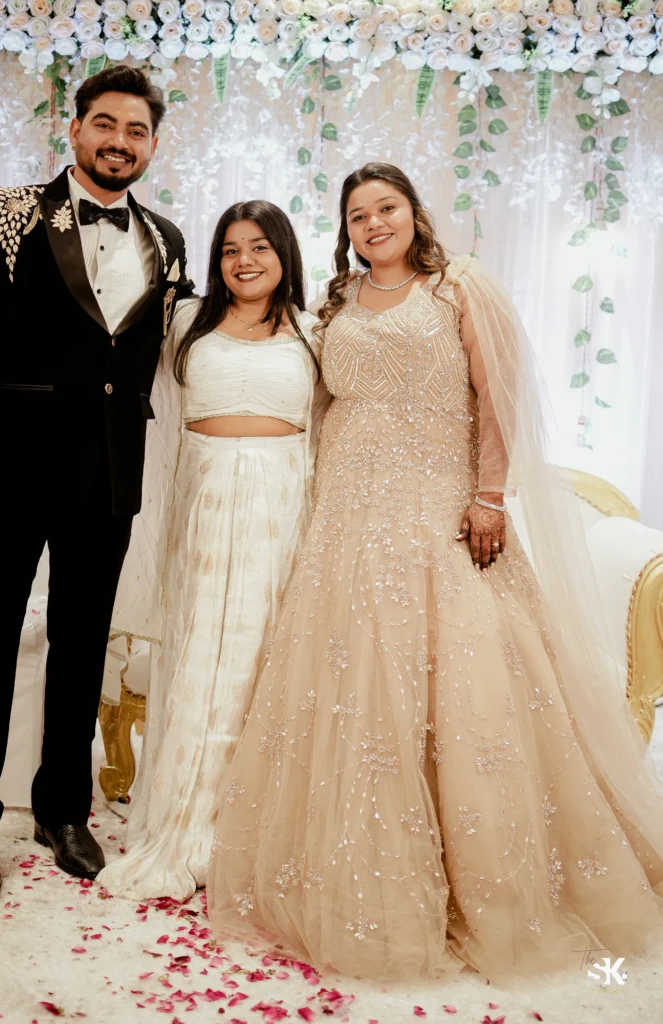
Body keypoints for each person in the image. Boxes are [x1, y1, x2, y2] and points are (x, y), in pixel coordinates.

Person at [207, 163, 663, 980]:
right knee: (353, 687)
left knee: (469, 684)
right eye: (357, 214)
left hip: (438, 508)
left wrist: (488, 495)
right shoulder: (337, 301)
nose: (372, 224)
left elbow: (499, 396)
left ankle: (487, 885)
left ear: (414, 213)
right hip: (348, 513)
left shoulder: (459, 286)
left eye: (385, 207)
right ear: (345, 229)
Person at [0, 65, 194, 901]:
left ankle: (63, 811)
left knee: (81, 650)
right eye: (105, 124)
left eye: (136, 131)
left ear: (152, 145)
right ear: (74, 130)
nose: (119, 142)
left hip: (107, 478)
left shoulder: (167, 238)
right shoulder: (5, 211)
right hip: (8, 472)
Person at [97, 201, 331, 902]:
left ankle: (251, 830)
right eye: (230, 249)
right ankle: (185, 822)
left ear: (284, 255)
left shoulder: (316, 331)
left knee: (261, 660)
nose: (244, 261)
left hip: (281, 508)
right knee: (201, 659)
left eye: (259, 247)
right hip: (203, 504)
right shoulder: (185, 324)